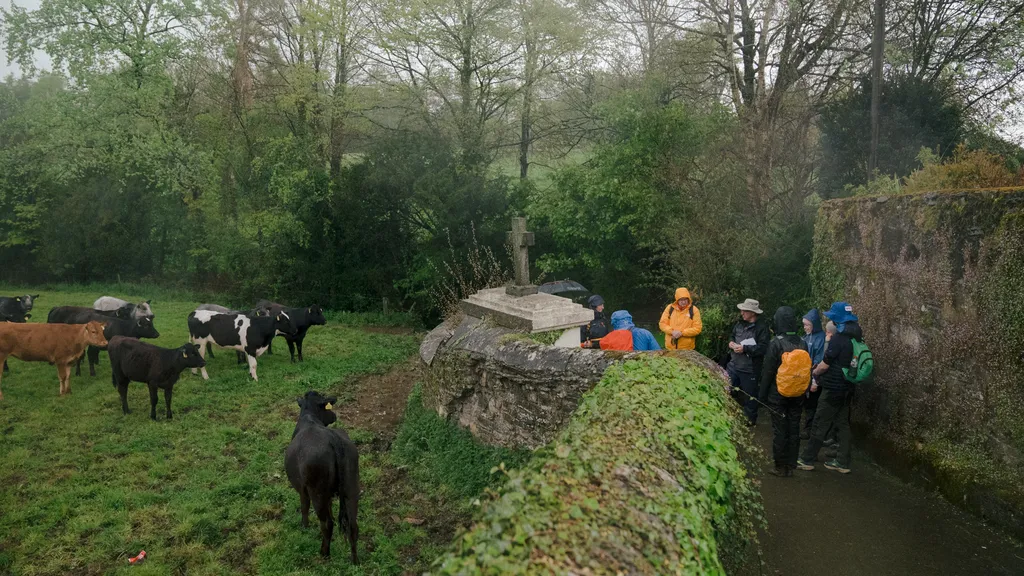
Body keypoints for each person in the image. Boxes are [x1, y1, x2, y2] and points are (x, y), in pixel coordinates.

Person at [797, 302, 862, 474]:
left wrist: (815, 371)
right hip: (847, 388)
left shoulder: (839, 339)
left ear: (838, 319)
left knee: (820, 422)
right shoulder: (856, 337)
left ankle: (807, 459)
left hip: (833, 388)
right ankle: (842, 462)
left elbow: (825, 365)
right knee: (842, 423)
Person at [759, 306, 810, 477]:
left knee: (780, 430)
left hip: (778, 395)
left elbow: (767, 372)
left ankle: (780, 467)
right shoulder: (803, 342)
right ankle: (791, 465)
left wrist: (762, 395)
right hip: (798, 394)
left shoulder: (775, 343)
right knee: (793, 428)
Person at [727, 298, 770, 426]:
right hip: (734, 365)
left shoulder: (762, 328)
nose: (742, 313)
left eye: (745, 311)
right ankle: (727, 415)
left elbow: (763, 348)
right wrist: (731, 342)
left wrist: (745, 348)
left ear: (753, 313)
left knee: (750, 396)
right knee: (726, 389)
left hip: (750, 369)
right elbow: (732, 335)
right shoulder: (739, 324)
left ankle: (749, 421)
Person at [801, 308, 826, 439]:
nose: (805, 327)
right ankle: (808, 428)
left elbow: (820, 359)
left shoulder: (821, 338)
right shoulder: (806, 337)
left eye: (807, 325)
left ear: (814, 325)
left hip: (816, 377)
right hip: (805, 375)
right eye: (804, 325)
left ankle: (811, 430)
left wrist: (815, 379)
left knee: (813, 405)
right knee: (808, 404)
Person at [593, 310, 661, 351]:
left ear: (614, 324)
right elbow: (658, 352)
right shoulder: (645, 333)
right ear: (630, 320)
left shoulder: (611, 337)